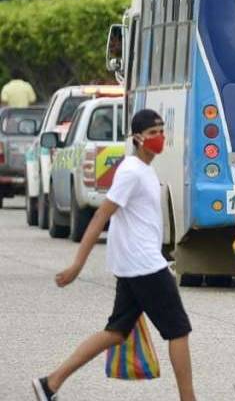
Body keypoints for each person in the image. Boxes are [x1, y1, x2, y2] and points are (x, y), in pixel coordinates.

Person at [34, 110, 196, 401]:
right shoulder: (132, 170)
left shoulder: (144, 169)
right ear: (138, 138)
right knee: (178, 330)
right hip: (144, 265)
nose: (159, 137)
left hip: (134, 265)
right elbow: (101, 216)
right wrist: (77, 264)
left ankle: (50, 384)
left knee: (116, 332)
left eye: (161, 131)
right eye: (153, 133)